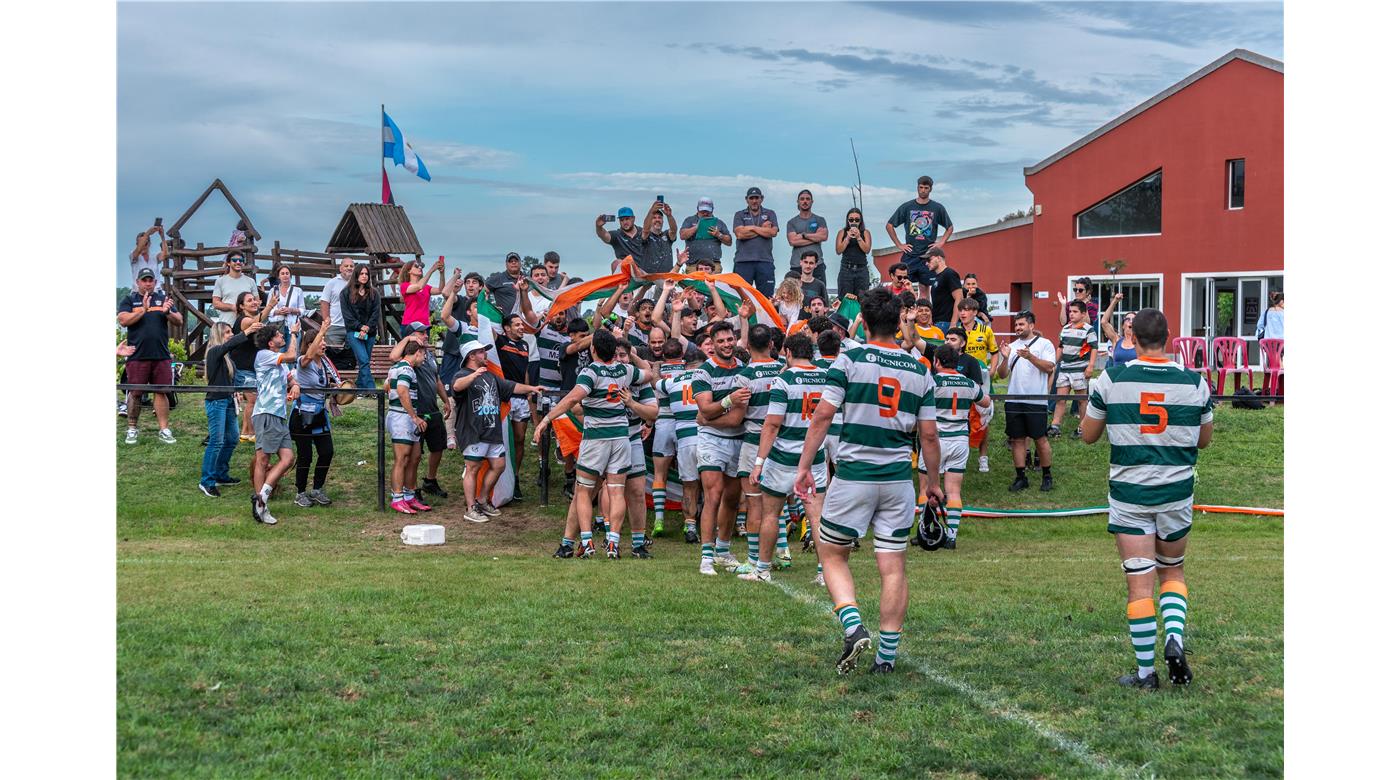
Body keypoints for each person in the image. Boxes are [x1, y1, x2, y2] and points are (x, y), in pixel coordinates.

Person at [795, 287, 942, 674]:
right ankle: (887, 658)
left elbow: (824, 416)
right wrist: (933, 483)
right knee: (893, 567)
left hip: (855, 475)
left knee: (832, 553)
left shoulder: (849, 359)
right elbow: (929, 436)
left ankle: (852, 623)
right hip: (897, 478)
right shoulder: (919, 368)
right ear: (899, 322)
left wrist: (805, 465)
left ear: (863, 317)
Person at [1080, 308, 1213, 690]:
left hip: (1130, 493)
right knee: (1172, 570)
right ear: (1169, 336)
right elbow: (1204, 440)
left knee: (1140, 583)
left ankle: (1144, 674)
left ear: (1132, 338)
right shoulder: (1194, 381)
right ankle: (1174, 636)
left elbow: (1088, 436)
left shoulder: (1114, 376)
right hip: (1176, 493)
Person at [533, 328, 653, 559]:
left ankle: (586, 542)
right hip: (621, 437)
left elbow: (572, 398)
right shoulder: (625, 370)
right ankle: (613, 543)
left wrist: (546, 420)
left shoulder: (590, 372)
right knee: (617, 492)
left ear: (593, 349)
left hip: (597, 438)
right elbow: (647, 373)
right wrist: (636, 356)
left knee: (584, 491)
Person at [743, 333, 827, 582]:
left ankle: (763, 570)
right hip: (814, 456)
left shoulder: (784, 380)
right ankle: (825, 573)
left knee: (771, 514)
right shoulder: (826, 377)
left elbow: (772, 424)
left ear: (788, 353)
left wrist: (758, 462)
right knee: (817, 517)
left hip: (783, 456)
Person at [453, 341, 542, 522]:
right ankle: (470, 509)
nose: (485, 355)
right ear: (471, 356)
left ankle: (482, 500)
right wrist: (475, 375)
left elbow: (511, 386)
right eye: (481, 352)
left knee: (499, 465)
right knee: (472, 468)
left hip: (492, 431)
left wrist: (531, 388)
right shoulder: (462, 374)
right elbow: (456, 386)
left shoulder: (491, 376)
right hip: (473, 431)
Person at [692, 321, 751, 575]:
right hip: (711, 440)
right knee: (713, 495)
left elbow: (736, 418)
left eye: (730, 340)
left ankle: (724, 551)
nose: (727, 344)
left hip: (737, 438)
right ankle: (706, 556)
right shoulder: (703, 372)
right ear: (712, 344)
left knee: (731, 499)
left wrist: (709, 415)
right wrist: (728, 400)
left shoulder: (745, 371)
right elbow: (704, 408)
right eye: (721, 341)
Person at [733, 325, 786, 575]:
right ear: (772, 345)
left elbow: (736, 417)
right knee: (777, 504)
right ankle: (782, 552)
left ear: (747, 347)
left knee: (754, 503)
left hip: (754, 439)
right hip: (780, 441)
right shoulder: (784, 369)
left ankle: (754, 559)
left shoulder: (744, 376)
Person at [929, 344, 992, 549]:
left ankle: (926, 530)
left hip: (936, 440)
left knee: (927, 487)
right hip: (960, 439)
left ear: (937, 362)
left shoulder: (932, 381)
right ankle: (951, 536)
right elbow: (986, 402)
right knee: (954, 490)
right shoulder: (969, 383)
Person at [119, 267, 184, 445]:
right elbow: (123, 320)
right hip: (137, 355)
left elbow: (179, 321)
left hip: (161, 354)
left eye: (150, 280)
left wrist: (167, 312)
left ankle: (164, 429)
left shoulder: (163, 299)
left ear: (155, 282)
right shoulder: (129, 299)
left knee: (161, 392)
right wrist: (142, 310)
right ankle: (132, 429)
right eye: (144, 280)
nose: (147, 283)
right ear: (138, 282)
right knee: (136, 392)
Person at [390, 323, 453, 501]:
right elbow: (393, 356)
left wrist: (446, 400)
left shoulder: (429, 355)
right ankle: (412, 489)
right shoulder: (409, 354)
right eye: (421, 333)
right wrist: (408, 339)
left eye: (426, 332)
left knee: (438, 446)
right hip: (417, 410)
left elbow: (437, 378)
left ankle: (430, 481)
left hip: (432, 408)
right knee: (414, 456)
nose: (425, 335)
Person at [997, 311, 1056, 492]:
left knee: (1040, 438)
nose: (1018, 328)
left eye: (1021, 324)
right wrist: (1006, 358)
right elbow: (1002, 375)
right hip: (1014, 399)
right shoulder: (1012, 346)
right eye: (1016, 325)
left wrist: (1030, 356)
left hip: (1036, 400)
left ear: (1031, 325)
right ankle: (1021, 477)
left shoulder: (1045, 344)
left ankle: (1047, 476)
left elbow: (1050, 367)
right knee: (1017, 439)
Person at [250, 320, 302, 525]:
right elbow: (292, 355)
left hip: (279, 415)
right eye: (279, 335)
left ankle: (261, 497)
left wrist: (295, 385)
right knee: (263, 460)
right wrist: (295, 334)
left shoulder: (280, 363)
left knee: (288, 458)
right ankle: (261, 504)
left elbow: (291, 378)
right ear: (270, 342)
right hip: (265, 412)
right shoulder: (264, 355)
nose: (283, 337)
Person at [658, 336, 709, 544]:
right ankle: (711, 526)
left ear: (685, 365)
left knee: (689, 486)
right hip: (707, 436)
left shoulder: (671, 382)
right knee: (711, 486)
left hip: (685, 440)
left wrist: (654, 368)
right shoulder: (708, 379)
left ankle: (690, 527)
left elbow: (656, 383)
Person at [200, 320, 256, 496]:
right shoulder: (214, 352)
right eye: (227, 332)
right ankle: (206, 481)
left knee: (231, 439)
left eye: (232, 332)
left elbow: (234, 379)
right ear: (218, 335)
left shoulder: (227, 358)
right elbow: (231, 344)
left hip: (229, 401)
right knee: (216, 442)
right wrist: (246, 332)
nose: (231, 335)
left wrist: (239, 390)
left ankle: (220, 474)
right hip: (216, 402)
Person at [291, 322, 337, 508]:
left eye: (324, 340)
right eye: (320, 341)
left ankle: (317, 489)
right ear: (310, 344)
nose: (324, 344)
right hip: (302, 416)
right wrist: (323, 329)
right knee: (305, 456)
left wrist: (335, 390)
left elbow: (322, 386)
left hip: (319, 414)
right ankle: (300, 492)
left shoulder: (325, 363)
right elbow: (309, 355)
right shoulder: (303, 360)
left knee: (327, 452)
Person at [649, 338, 689, 536]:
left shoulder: (660, 369)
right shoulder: (689, 370)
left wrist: (656, 367)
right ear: (682, 353)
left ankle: (659, 519)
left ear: (663, 354)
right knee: (688, 476)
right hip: (684, 423)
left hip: (664, 422)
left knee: (659, 474)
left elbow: (655, 386)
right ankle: (688, 521)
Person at [953, 300, 999, 471]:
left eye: (967, 310)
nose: (963, 313)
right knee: (961, 417)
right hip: (960, 377)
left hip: (981, 378)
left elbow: (994, 353)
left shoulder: (985, 330)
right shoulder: (955, 331)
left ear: (975, 312)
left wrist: (993, 370)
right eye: (961, 310)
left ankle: (983, 457)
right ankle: (960, 455)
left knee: (983, 419)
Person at [385, 340, 430, 514]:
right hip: (402, 418)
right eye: (423, 354)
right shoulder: (405, 368)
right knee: (402, 459)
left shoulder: (401, 368)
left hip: (407, 418)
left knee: (415, 457)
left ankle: (409, 496)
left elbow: (387, 386)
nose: (424, 358)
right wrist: (414, 416)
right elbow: (402, 391)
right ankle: (397, 498)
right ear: (417, 352)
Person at [885, 175, 953, 289]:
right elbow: (889, 225)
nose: (923, 190)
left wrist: (940, 243)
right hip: (910, 255)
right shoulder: (907, 207)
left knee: (925, 288)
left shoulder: (937, 208)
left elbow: (950, 227)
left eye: (926, 188)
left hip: (927, 255)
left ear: (930, 189)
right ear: (917, 188)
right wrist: (899, 245)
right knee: (903, 287)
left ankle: (924, 307)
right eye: (921, 187)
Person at [495, 313, 534, 501]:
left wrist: (528, 394)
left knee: (519, 439)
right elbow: (487, 327)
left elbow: (525, 370)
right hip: (505, 397)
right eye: (517, 324)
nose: (521, 327)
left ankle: (515, 478)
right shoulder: (500, 340)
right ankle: (501, 478)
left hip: (521, 398)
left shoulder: (525, 345)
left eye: (522, 324)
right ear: (507, 328)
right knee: (504, 439)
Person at [1051, 300, 1099, 438]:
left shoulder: (1088, 329)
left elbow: (1094, 348)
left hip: (1080, 369)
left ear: (1083, 314)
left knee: (1081, 399)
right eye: (1070, 311)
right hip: (1065, 368)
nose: (1071, 314)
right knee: (1061, 398)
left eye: (1075, 311)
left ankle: (1083, 427)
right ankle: (1055, 425)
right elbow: (1061, 347)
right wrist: (1053, 362)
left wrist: (1090, 366)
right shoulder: (1065, 329)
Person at [231, 290, 270, 442]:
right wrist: (270, 305)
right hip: (242, 367)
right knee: (253, 400)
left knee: (252, 400)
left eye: (254, 299)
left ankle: (245, 433)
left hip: (250, 366)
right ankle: (251, 433)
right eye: (249, 301)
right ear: (241, 306)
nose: (254, 302)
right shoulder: (244, 321)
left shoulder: (250, 319)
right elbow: (256, 322)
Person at [732, 187, 780, 297]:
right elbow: (740, 234)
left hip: (764, 261)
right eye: (751, 198)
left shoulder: (770, 213)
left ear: (761, 199)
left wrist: (751, 228)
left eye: (757, 198)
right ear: (746, 199)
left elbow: (772, 232)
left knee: (766, 298)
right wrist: (761, 228)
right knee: (741, 297)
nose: (754, 201)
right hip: (743, 261)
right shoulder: (739, 214)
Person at [340, 264, 382, 390]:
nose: (364, 276)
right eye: (361, 274)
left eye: (366, 274)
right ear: (356, 275)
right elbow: (347, 316)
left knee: (365, 362)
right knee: (363, 360)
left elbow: (376, 314)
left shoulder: (374, 293)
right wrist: (360, 327)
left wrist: (367, 327)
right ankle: (372, 390)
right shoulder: (345, 293)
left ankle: (359, 388)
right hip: (353, 332)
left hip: (370, 332)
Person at [786, 189, 829, 285]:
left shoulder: (820, 220)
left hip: (817, 265)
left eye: (807, 199)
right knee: (794, 297)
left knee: (819, 297)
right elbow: (792, 241)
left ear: (812, 201)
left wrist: (803, 235)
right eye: (802, 199)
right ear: (798, 202)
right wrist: (815, 238)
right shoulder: (792, 222)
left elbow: (823, 236)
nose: (805, 201)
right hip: (797, 265)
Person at [679, 197, 732, 269]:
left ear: (712, 209)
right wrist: (696, 227)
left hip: (714, 265)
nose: (705, 213)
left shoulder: (719, 222)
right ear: (697, 209)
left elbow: (729, 242)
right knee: (693, 280)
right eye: (702, 211)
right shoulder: (689, 220)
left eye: (708, 211)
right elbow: (682, 236)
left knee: (713, 280)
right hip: (693, 266)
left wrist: (719, 235)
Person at [835, 208, 872, 302]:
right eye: (851, 220)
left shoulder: (865, 232)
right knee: (845, 299)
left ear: (861, 221)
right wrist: (847, 238)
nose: (854, 222)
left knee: (862, 299)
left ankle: (860, 317)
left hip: (861, 269)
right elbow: (838, 250)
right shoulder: (842, 232)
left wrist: (858, 237)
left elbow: (867, 250)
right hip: (846, 269)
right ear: (848, 220)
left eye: (857, 220)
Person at [210, 253, 257, 327]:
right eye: (234, 260)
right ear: (228, 263)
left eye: (241, 260)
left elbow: (256, 302)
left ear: (243, 263)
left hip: (247, 325)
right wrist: (233, 307)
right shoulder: (220, 281)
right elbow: (216, 303)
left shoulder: (251, 281)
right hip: (227, 324)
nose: (238, 262)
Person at [319, 258, 356, 350]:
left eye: (351, 266)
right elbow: (324, 302)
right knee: (333, 354)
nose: (349, 268)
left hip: (353, 326)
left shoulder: (358, 283)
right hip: (335, 326)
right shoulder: (332, 283)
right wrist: (327, 320)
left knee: (353, 355)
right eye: (346, 266)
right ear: (340, 268)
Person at [263, 262, 306, 339]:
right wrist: (278, 312)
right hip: (277, 327)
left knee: (294, 350)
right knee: (279, 350)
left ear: (290, 275)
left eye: (287, 273)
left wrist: (291, 310)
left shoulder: (298, 291)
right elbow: (268, 310)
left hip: (293, 327)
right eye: (282, 273)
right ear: (279, 276)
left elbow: (303, 311)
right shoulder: (273, 291)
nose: (285, 275)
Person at [399, 256, 444, 330]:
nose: (420, 267)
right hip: (410, 324)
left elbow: (440, 290)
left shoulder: (426, 287)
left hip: (424, 324)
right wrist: (432, 269)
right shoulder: (404, 286)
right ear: (409, 271)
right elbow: (419, 286)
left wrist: (442, 273)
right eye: (416, 266)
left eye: (421, 266)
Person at [922, 247, 962, 330]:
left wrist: (953, 324)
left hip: (947, 324)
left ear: (939, 258)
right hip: (938, 323)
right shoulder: (937, 277)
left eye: (929, 260)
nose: (926, 263)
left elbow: (959, 299)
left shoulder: (949, 274)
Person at [636, 200, 679, 274]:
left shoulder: (666, 235)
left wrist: (669, 216)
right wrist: (651, 211)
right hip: (649, 278)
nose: (657, 220)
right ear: (650, 220)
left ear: (663, 221)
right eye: (654, 218)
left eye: (659, 218)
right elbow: (645, 230)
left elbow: (673, 230)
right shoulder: (646, 235)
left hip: (666, 278)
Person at [1099, 294, 1138, 368]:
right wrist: (1115, 301)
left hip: (1134, 378)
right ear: (1123, 325)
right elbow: (1104, 322)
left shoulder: (1141, 343)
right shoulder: (1116, 340)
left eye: (1134, 320)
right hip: (1117, 378)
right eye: (1128, 319)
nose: (1131, 321)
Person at [129, 223, 168, 291]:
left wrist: (162, 236)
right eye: (141, 243)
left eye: (145, 243)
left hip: (155, 291)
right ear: (137, 244)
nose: (143, 246)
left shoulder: (154, 257)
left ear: (149, 244)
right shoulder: (133, 256)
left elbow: (165, 254)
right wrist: (147, 234)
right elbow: (138, 250)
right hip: (139, 292)